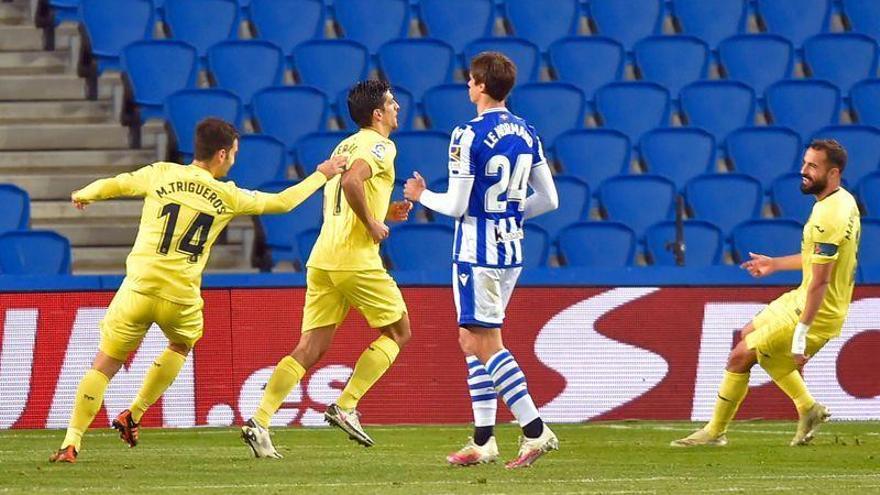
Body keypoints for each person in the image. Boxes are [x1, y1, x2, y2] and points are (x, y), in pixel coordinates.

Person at [49, 118, 346, 463]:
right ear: (221, 154)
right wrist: (322, 173)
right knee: (181, 343)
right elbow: (282, 202)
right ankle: (135, 413)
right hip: (180, 298)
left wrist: (85, 193)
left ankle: (72, 442)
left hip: (138, 289)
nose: (234, 159)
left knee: (103, 366)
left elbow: (117, 184)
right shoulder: (227, 195)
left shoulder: (161, 173)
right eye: (234, 153)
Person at [403, 52, 559, 469]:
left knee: (480, 341)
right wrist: (508, 214)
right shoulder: (527, 132)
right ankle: (484, 440)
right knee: (474, 340)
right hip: (511, 249)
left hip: (476, 252)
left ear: (483, 87)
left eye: (472, 81)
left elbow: (455, 205)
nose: (468, 87)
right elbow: (550, 199)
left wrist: (421, 196)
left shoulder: (466, 134)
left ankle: (535, 429)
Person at [241, 80, 413, 458]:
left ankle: (260, 420)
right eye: (391, 102)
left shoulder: (344, 145)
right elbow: (353, 181)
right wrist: (371, 223)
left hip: (322, 258)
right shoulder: (381, 145)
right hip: (355, 259)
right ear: (377, 114)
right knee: (399, 332)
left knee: (310, 346)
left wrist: (384, 213)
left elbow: (347, 191)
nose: (397, 106)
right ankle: (347, 404)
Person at [672, 139, 860, 448]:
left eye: (813, 166)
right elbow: (819, 261)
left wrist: (801, 336)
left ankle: (715, 432)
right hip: (805, 296)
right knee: (750, 333)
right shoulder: (842, 201)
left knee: (740, 357)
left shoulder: (830, 217)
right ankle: (808, 408)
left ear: (834, 172)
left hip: (817, 308)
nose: (803, 171)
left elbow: (821, 282)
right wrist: (775, 265)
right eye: (804, 163)